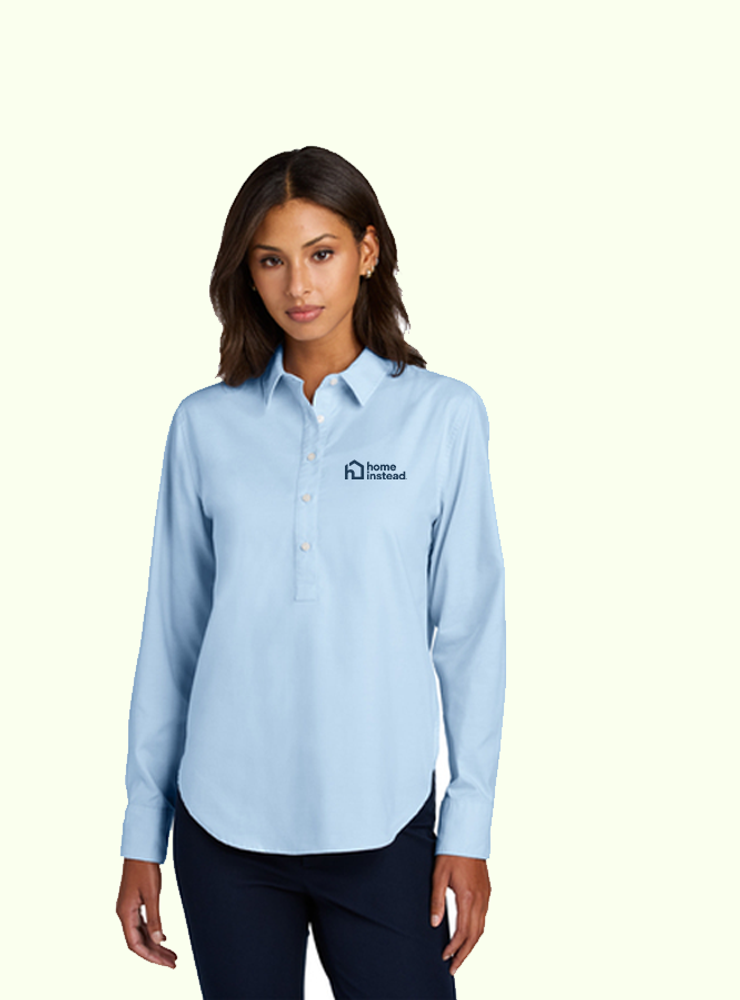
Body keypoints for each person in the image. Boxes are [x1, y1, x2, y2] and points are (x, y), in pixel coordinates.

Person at [115, 145, 507, 999]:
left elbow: (471, 634)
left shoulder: (443, 418)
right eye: (271, 260)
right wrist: (142, 833)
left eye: (321, 253)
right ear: (246, 273)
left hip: (383, 820)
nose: (299, 285)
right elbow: (172, 638)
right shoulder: (204, 426)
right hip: (224, 828)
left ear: (367, 252)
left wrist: (468, 825)